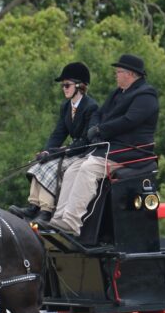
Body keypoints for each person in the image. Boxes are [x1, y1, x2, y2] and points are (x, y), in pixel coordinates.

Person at [49, 54, 159, 236]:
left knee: (88, 168)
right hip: (111, 147)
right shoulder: (117, 93)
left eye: (118, 72)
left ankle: (72, 221)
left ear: (130, 74)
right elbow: (100, 113)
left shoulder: (146, 95)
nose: (115, 75)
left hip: (132, 151)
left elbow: (129, 120)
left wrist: (101, 130)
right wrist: (94, 127)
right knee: (73, 169)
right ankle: (59, 218)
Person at [9, 62, 99, 225]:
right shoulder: (66, 106)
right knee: (40, 165)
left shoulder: (91, 107)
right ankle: (33, 206)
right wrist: (46, 152)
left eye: (67, 85)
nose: (64, 88)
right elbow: (58, 133)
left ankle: (46, 210)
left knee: (50, 169)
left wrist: (65, 150)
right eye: (62, 86)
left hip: (84, 152)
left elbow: (87, 139)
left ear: (79, 86)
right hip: (71, 150)